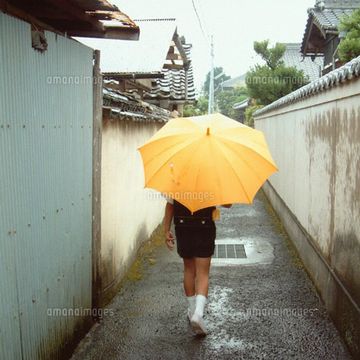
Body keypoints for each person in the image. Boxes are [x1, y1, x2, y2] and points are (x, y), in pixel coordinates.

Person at [163, 196, 231, 336]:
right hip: (204, 226)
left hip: (182, 227)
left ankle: (192, 309)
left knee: (189, 270)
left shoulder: (177, 179)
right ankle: (198, 314)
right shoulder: (212, 179)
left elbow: (170, 206)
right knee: (202, 273)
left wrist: (166, 230)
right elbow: (228, 204)